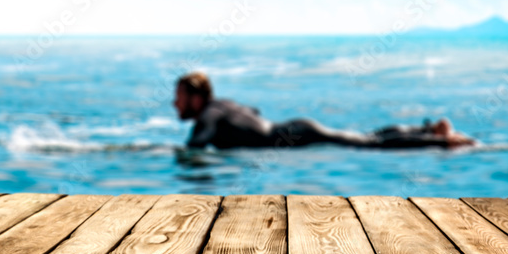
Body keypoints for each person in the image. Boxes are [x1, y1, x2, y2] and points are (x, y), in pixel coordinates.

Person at [173, 72, 476, 150]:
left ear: (196, 99)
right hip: (293, 129)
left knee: (369, 145)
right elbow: (253, 110)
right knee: (365, 138)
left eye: (180, 98)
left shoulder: (209, 114)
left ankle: (442, 143)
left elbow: (196, 145)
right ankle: (426, 130)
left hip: (295, 135)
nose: (175, 104)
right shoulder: (224, 105)